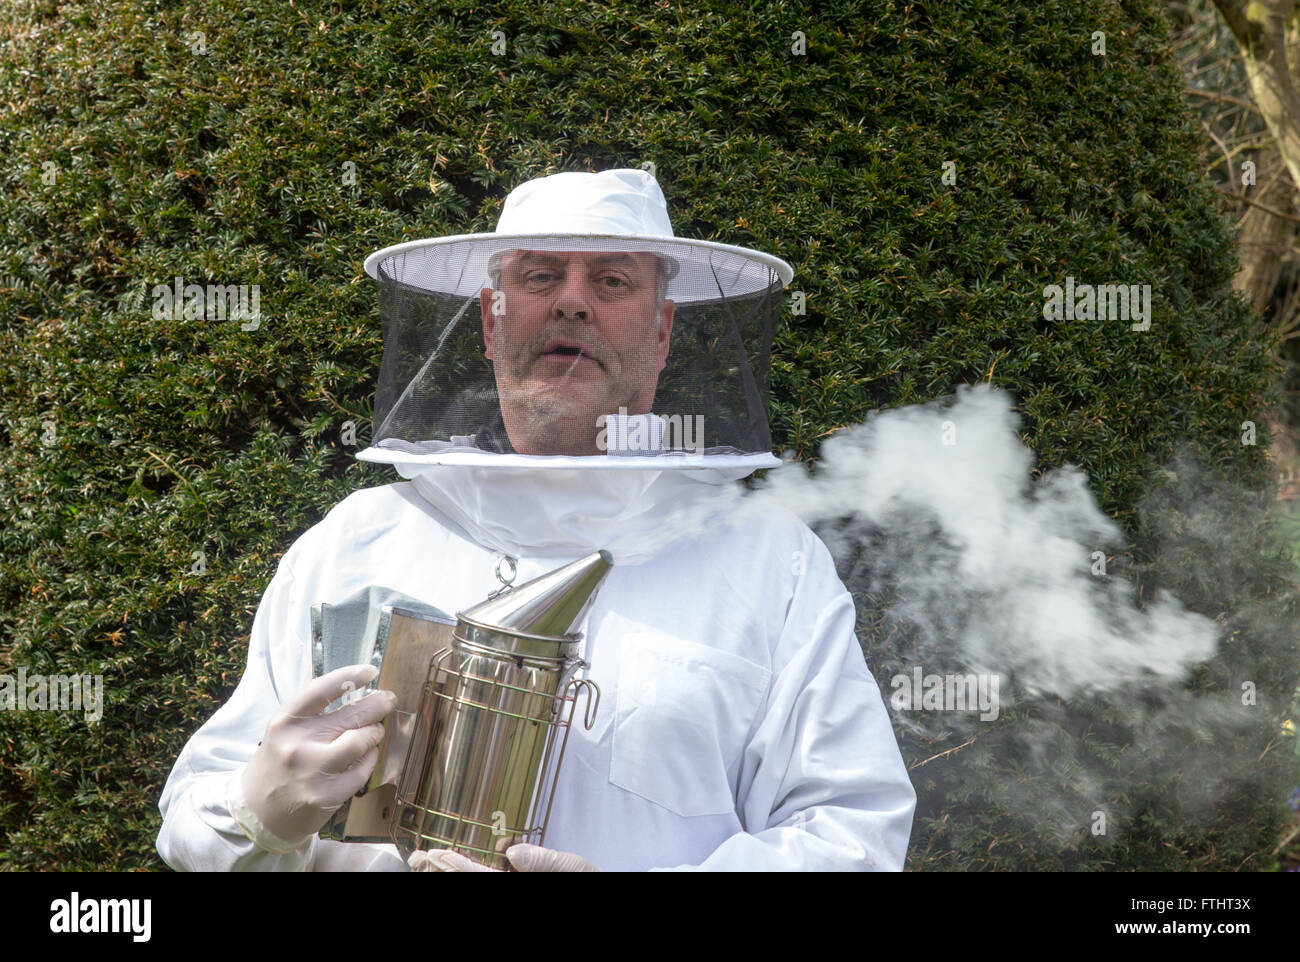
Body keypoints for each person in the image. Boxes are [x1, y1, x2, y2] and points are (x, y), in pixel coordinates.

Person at [156, 167, 917, 871]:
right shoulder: (355, 543)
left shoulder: (768, 560)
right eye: (539, 276)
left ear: (661, 334)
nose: (573, 301)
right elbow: (188, 826)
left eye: (611, 280)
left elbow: (853, 835)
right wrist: (256, 814)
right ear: (492, 324)